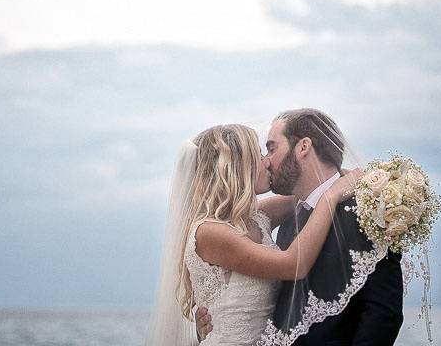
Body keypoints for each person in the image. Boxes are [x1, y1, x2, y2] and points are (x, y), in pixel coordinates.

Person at [197, 109, 404, 346]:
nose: (266, 160)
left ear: (303, 147)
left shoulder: (364, 211)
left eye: (272, 148)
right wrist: (215, 322)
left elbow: (382, 315)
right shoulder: (289, 217)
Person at [146, 123, 362, 346]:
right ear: (238, 167)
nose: (267, 161)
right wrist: (332, 196)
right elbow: (294, 264)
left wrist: (350, 180)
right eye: (259, 155)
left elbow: (311, 190)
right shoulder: (209, 232)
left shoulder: (256, 217)